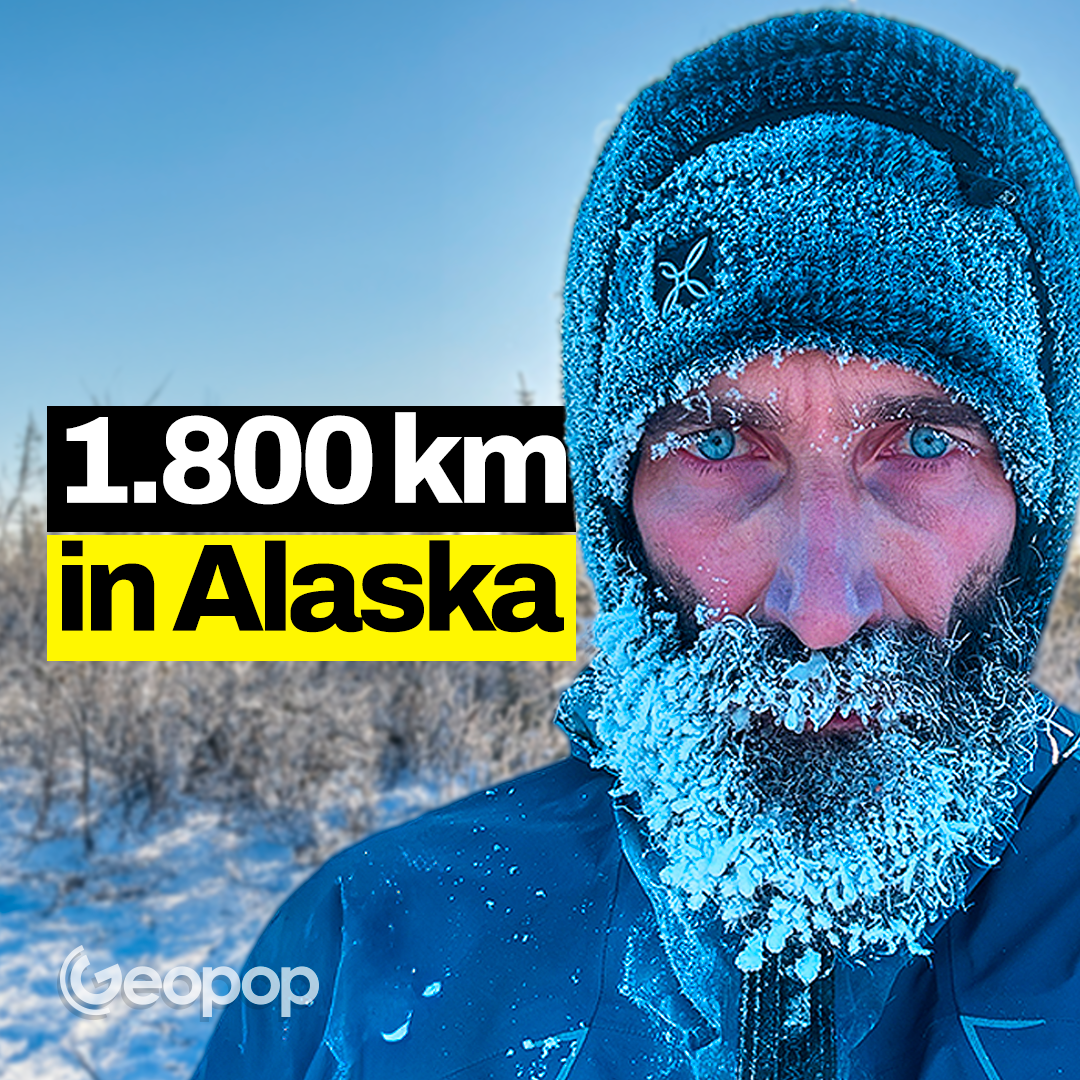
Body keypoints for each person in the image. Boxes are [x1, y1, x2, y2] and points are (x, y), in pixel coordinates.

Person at [192, 11, 1080, 1079]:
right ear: (612, 516)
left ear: (1034, 507)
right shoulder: (361, 960)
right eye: (717, 442)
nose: (821, 608)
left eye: (925, 442)